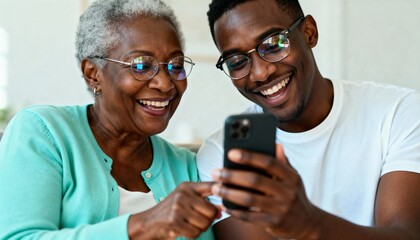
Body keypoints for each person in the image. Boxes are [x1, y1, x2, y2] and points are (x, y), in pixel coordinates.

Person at [197, 0, 420, 239]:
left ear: (309, 33)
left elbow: (405, 234)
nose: (261, 73)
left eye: (274, 45)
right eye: (237, 62)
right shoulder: (221, 154)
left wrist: (309, 223)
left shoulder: (398, 112)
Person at [0, 0, 218, 239]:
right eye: (142, 66)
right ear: (93, 74)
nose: (165, 84)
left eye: (175, 66)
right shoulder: (45, 132)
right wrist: (143, 225)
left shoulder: (188, 167)